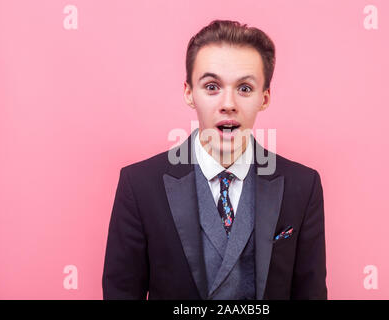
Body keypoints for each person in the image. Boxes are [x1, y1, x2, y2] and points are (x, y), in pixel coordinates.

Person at [102, 20, 327, 300]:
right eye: (211, 86)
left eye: (245, 88)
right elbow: (121, 292)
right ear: (189, 93)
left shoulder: (302, 186)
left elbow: (311, 293)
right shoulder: (139, 184)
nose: (228, 103)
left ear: (265, 98)